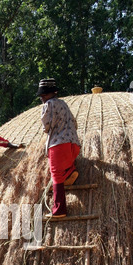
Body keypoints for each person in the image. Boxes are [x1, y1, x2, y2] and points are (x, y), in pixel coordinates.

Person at [38, 78, 80, 218]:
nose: (42, 97)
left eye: (44, 94)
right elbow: (75, 122)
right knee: (63, 168)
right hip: (73, 144)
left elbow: (46, 126)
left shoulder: (48, 105)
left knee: (55, 175)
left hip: (58, 144)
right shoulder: (63, 104)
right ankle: (70, 171)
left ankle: (59, 209)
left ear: (50, 94)